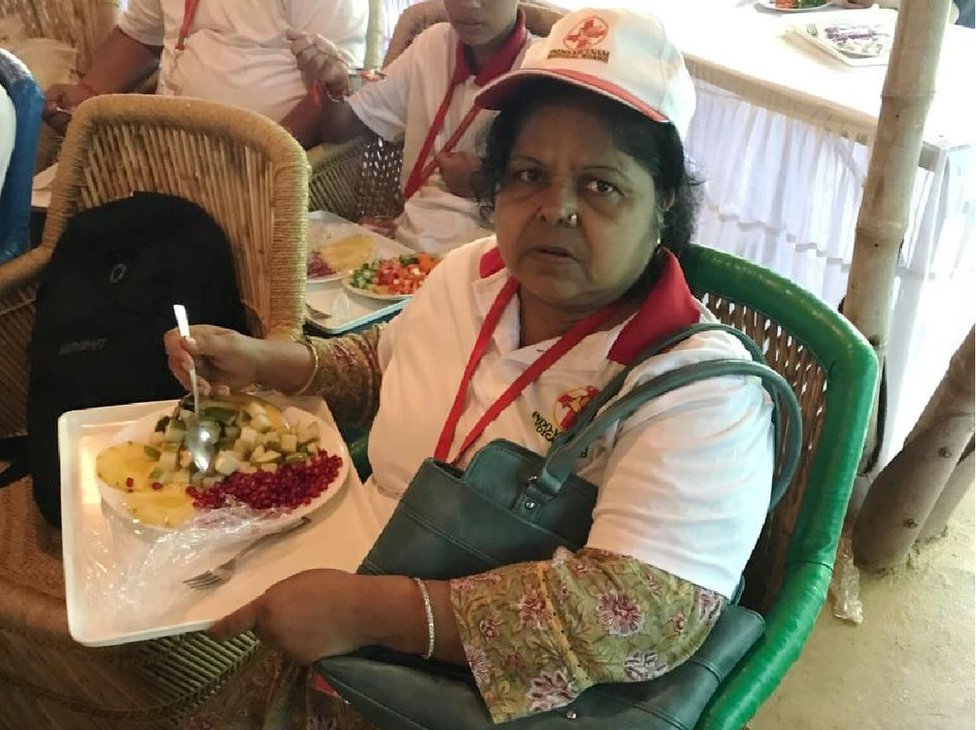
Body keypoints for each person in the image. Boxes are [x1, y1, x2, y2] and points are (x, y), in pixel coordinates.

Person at [164, 7, 774, 725]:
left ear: (664, 202)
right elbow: (386, 364)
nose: (557, 210)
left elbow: (642, 614)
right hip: (342, 623)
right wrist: (274, 363)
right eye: (528, 175)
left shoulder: (697, 393)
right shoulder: (466, 276)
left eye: (601, 186)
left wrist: (372, 613)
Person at [287, 0, 533, 254]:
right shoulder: (433, 43)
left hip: (487, 258)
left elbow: (553, 200)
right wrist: (334, 86)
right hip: (406, 246)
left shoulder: (541, 70)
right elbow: (342, 131)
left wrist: (485, 185)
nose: (469, 4)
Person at [41, 0, 368, 146]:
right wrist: (89, 89)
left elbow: (337, 82)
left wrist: (258, 151)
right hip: (166, 144)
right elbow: (140, 33)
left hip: (267, 157)